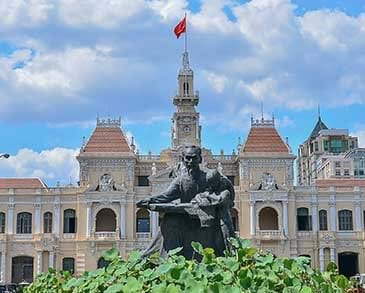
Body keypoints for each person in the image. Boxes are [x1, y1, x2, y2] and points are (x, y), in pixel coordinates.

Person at [137, 145, 235, 258]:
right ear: (183, 159)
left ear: (200, 159)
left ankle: (230, 248)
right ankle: (170, 259)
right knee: (170, 219)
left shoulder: (209, 177)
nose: (190, 161)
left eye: (194, 158)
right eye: (187, 158)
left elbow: (227, 191)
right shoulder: (180, 180)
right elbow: (166, 196)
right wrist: (149, 200)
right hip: (186, 216)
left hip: (206, 219)